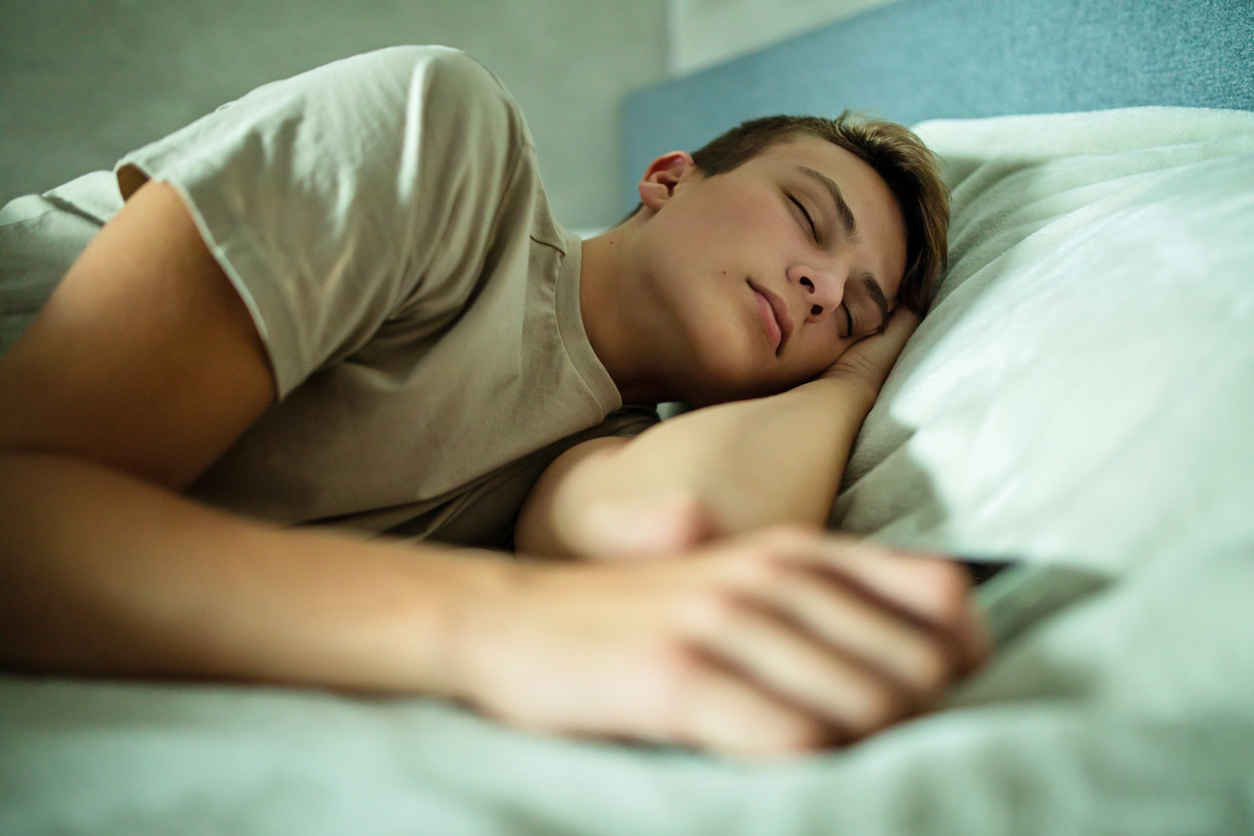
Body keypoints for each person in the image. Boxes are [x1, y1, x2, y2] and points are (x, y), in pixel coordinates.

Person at [0, 46, 983, 758]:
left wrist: (856, 375)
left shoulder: (598, 455)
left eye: (854, 309)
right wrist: (501, 624)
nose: (822, 289)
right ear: (668, 175)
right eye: (809, 216)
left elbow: (691, 531)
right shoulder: (445, 140)